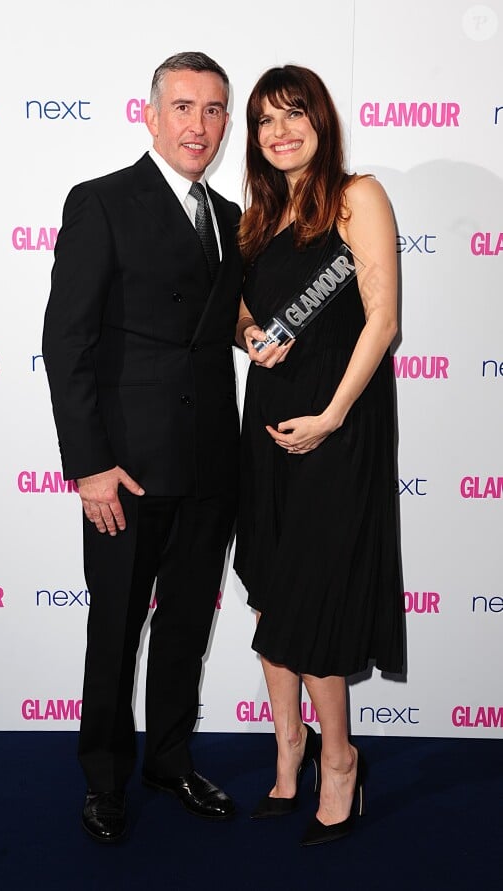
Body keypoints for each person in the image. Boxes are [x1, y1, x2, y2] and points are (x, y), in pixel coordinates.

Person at [42, 51, 243, 843]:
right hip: (123, 470)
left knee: (188, 626)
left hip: (208, 467)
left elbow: (225, 322)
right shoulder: (101, 203)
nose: (200, 125)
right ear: (151, 115)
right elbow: (68, 341)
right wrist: (88, 464)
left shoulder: (230, 218)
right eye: (185, 107)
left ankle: (168, 758)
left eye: (215, 109)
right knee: (115, 629)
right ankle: (103, 780)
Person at [234, 65, 404, 846]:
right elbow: (244, 312)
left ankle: (340, 759)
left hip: (337, 426)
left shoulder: (356, 195)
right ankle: (288, 750)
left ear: (321, 120)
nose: (280, 131)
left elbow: (381, 319)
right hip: (266, 425)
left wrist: (333, 414)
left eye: (293, 114)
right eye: (266, 120)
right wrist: (253, 337)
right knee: (271, 590)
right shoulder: (259, 214)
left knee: (313, 601)